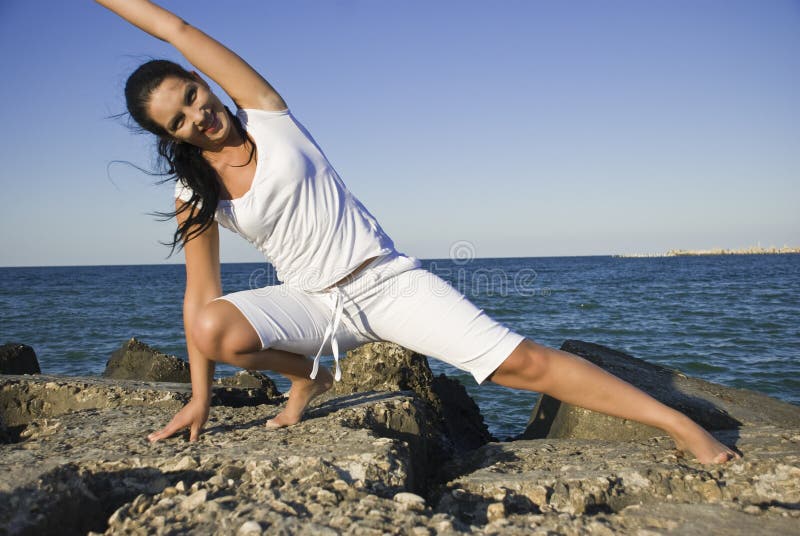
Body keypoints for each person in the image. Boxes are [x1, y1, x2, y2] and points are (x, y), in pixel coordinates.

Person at [96, 0, 738, 464]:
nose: (196, 115)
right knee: (214, 325)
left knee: (520, 364)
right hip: (314, 304)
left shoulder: (267, 114)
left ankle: (675, 422)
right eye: (177, 121)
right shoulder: (194, 193)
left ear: (202, 81)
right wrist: (201, 400)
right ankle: (310, 376)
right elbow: (197, 297)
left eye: (190, 94)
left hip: (387, 284)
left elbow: (174, 27)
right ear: (169, 138)